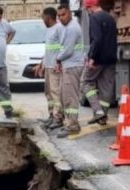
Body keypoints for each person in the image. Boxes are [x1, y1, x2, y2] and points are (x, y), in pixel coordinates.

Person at [82, 0, 117, 126]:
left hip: (98, 59)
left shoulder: (94, 18)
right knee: (106, 88)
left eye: (87, 9)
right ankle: (103, 116)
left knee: (86, 82)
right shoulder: (111, 18)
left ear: (90, 7)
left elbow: (97, 39)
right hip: (111, 58)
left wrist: (92, 57)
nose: (88, 11)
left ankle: (98, 111)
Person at [53, 4, 85, 138]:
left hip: (72, 66)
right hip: (69, 65)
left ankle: (72, 125)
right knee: (64, 96)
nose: (61, 18)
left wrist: (57, 59)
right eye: (59, 16)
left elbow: (67, 50)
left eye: (63, 15)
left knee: (70, 98)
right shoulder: (68, 27)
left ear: (70, 14)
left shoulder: (72, 28)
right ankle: (69, 122)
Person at [34, 7, 62, 129]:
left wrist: (59, 63)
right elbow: (49, 50)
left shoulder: (58, 29)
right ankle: (51, 115)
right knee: (48, 93)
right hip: (49, 66)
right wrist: (42, 63)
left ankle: (58, 118)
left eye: (43, 17)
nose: (42, 20)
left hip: (55, 68)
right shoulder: (49, 30)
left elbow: (63, 48)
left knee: (56, 94)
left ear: (48, 17)